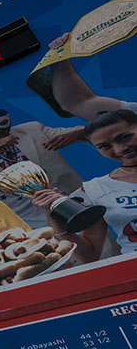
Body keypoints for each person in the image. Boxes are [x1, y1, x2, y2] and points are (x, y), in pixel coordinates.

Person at [0, 108, 84, 228]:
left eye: (2, 131)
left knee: (96, 245)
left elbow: (83, 131)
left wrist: (76, 134)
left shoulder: (32, 130)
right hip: (18, 217)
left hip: (58, 201)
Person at [32, 109, 137, 261]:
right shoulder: (96, 189)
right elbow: (89, 255)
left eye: (125, 137)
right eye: (104, 146)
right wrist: (53, 218)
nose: (120, 149)